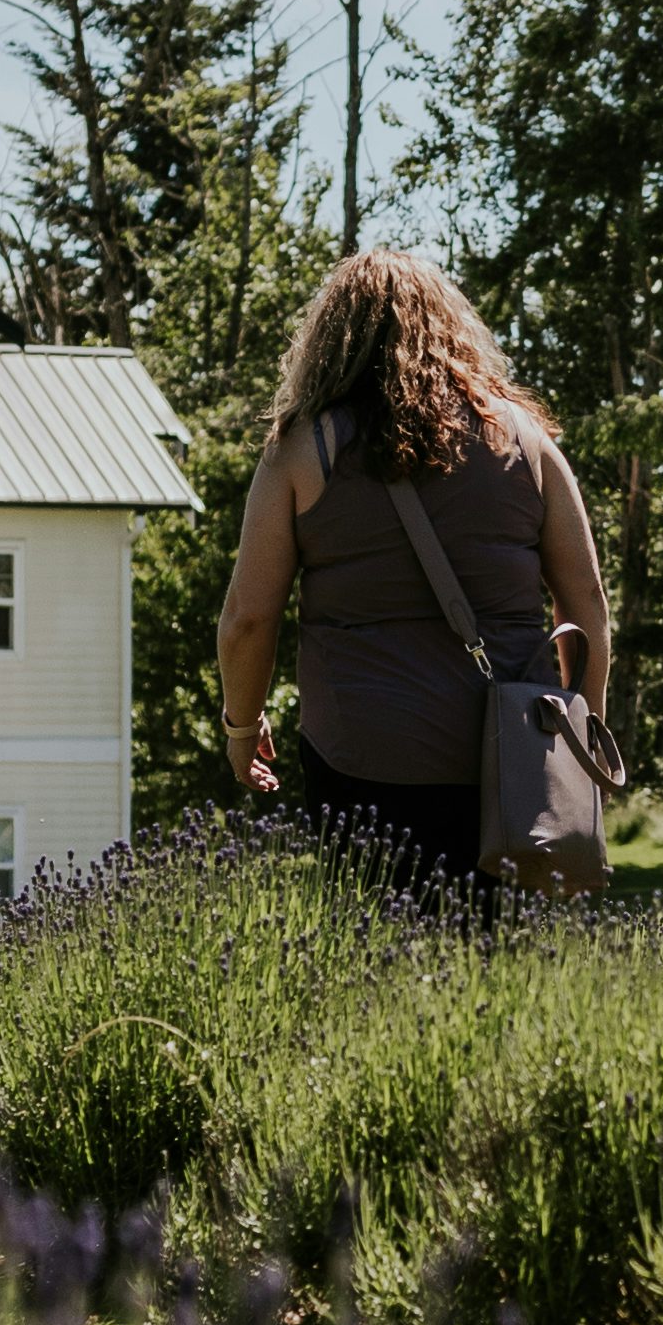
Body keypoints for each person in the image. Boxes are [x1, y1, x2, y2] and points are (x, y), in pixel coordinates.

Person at [216, 250, 614, 886]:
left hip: (360, 752)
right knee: (498, 961)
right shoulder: (525, 440)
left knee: (374, 953)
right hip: (511, 755)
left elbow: (248, 617)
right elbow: (587, 603)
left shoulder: (302, 449)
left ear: (331, 338)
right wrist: (583, 736)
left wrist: (242, 727)